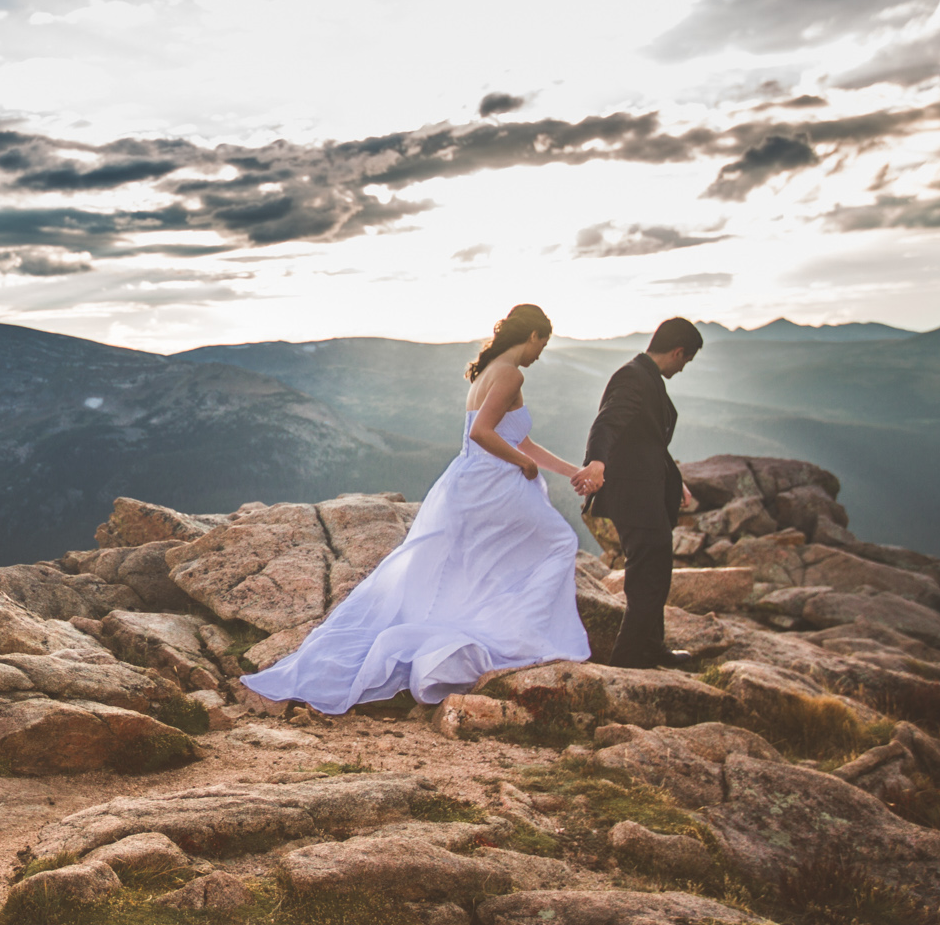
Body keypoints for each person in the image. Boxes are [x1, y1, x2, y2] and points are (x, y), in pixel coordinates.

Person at [241, 303, 592, 714]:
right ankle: (522, 638)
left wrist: (572, 471)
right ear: (532, 335)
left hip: (470, 482)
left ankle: (499, 631)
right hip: (494, 483)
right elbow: (485, 434)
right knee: (559, 541)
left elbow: (520, 437)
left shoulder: (489, 369)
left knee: (478, 562)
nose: (540, 355)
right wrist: (524, 466)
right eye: (542, 345)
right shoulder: (512, 373)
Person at [570, 317, 703, 669]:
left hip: (645, 493)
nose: (684, 367)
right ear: (677, 352)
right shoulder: (633, 376)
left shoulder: (647, 376)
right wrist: (596, 462)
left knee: (655, 571)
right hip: (635, 498)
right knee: (648, 577)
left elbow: (647, 441)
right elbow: (608, 421)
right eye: (686, 360)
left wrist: (674, 479)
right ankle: (627, 661)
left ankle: (651, 647)